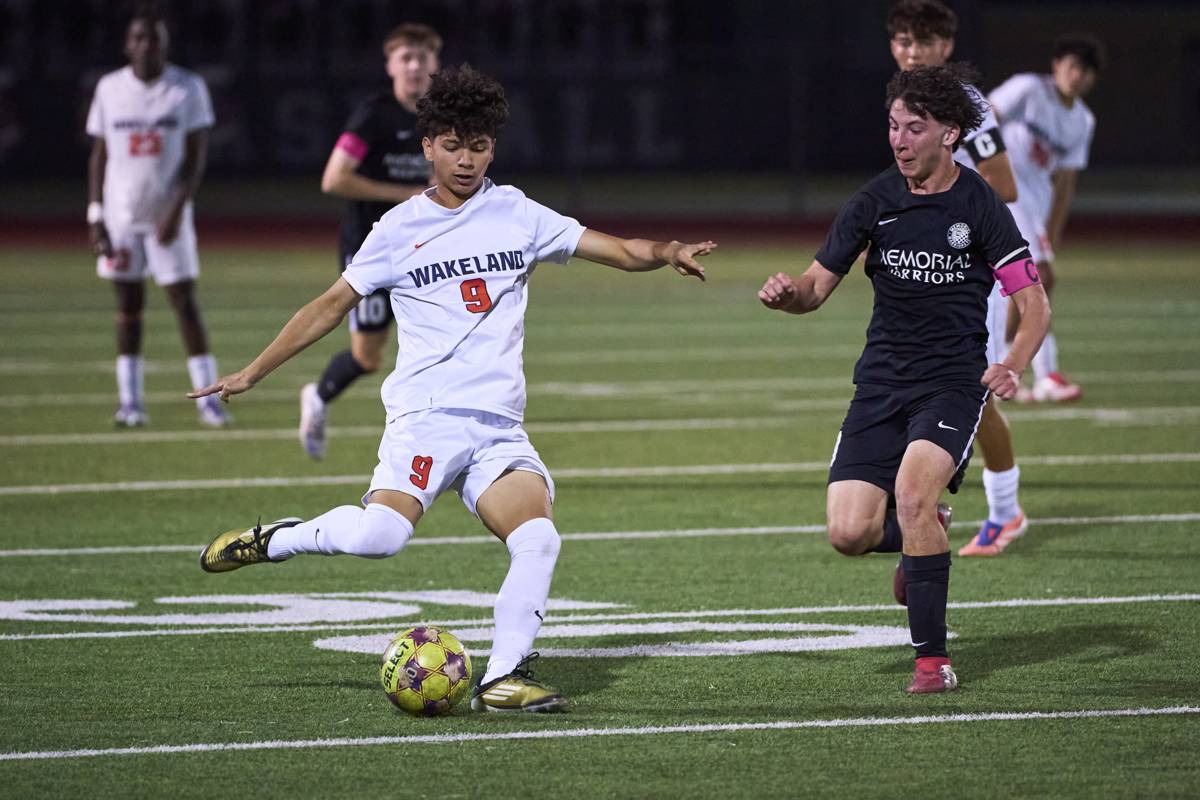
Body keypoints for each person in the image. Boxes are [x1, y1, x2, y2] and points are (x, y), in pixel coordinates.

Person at [190, 65, 715, 713]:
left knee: (538, 538)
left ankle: (503, 677)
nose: (466, 160)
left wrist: (665, 251)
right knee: (380, 538)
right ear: (428, 147)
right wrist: (253, 371)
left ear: (493, 148)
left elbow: (617, 249)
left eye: (479, 146)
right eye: (452, 145)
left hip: (498, 428)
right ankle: (275, 539)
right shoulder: (397, 229)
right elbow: (329, 306)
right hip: (428, 417)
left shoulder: (517, 212)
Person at [757, 64, 1050, 693]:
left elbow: (1034, 304)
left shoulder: (980, 205)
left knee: (913, 494)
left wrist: (1013, 364)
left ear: (950, 134)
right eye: (893, 126)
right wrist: (788, 296)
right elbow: (815, 288)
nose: (899, 140)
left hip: (951, 385)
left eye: (914, 128)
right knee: (849, 533)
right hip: (881, 384)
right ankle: (927, 535)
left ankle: (932, 661)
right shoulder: (874, 202)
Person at [886, 0, 1027, 555]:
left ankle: (1003, 510)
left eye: (922, 41)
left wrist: (947, 217)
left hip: (970, 268)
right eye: (903, 40)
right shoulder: (906, 101)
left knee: (974, 389)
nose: (911, 51)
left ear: (945, 46)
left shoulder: (967, 104)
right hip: (926, 267)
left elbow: (1003, 183)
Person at [298, 24, 442, 460]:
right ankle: (317, 396)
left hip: (425, 250)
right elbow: (334, 178)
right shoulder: (373, 115)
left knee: (443, 338)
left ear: (435, 64)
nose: (414, 66)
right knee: (367, 358)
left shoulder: (443, 116)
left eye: (422, 57)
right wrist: (405, 195)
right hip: (371, 249)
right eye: (405, 58)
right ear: (390, 66)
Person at [86, 8, 227, 428]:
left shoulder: (187, 87)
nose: (146, 46)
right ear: (127, 44)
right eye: (139, 38)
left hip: (169, 216)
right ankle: (130, 402)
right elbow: (100, 155)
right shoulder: (110, 88)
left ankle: (208, 400)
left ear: (165, 45)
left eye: (154, 39)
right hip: (122, 217)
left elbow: (195, 158)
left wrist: (175, 209)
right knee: (127, 306)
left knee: (185, 303)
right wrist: (95, 214)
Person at [990, 34, 1104, 403]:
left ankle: (1005, 367)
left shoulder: (1082, 120)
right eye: (1072, 66)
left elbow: (1066, 181)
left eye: (1085, 71)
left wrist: (1053, 233)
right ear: (1056, 65)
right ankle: (1039, 373)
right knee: (1036, 278)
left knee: (1017, 287)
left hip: (1035, 205)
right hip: (1006, 195)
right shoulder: (1028, 89)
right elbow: (986, 116)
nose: (1077, 76)